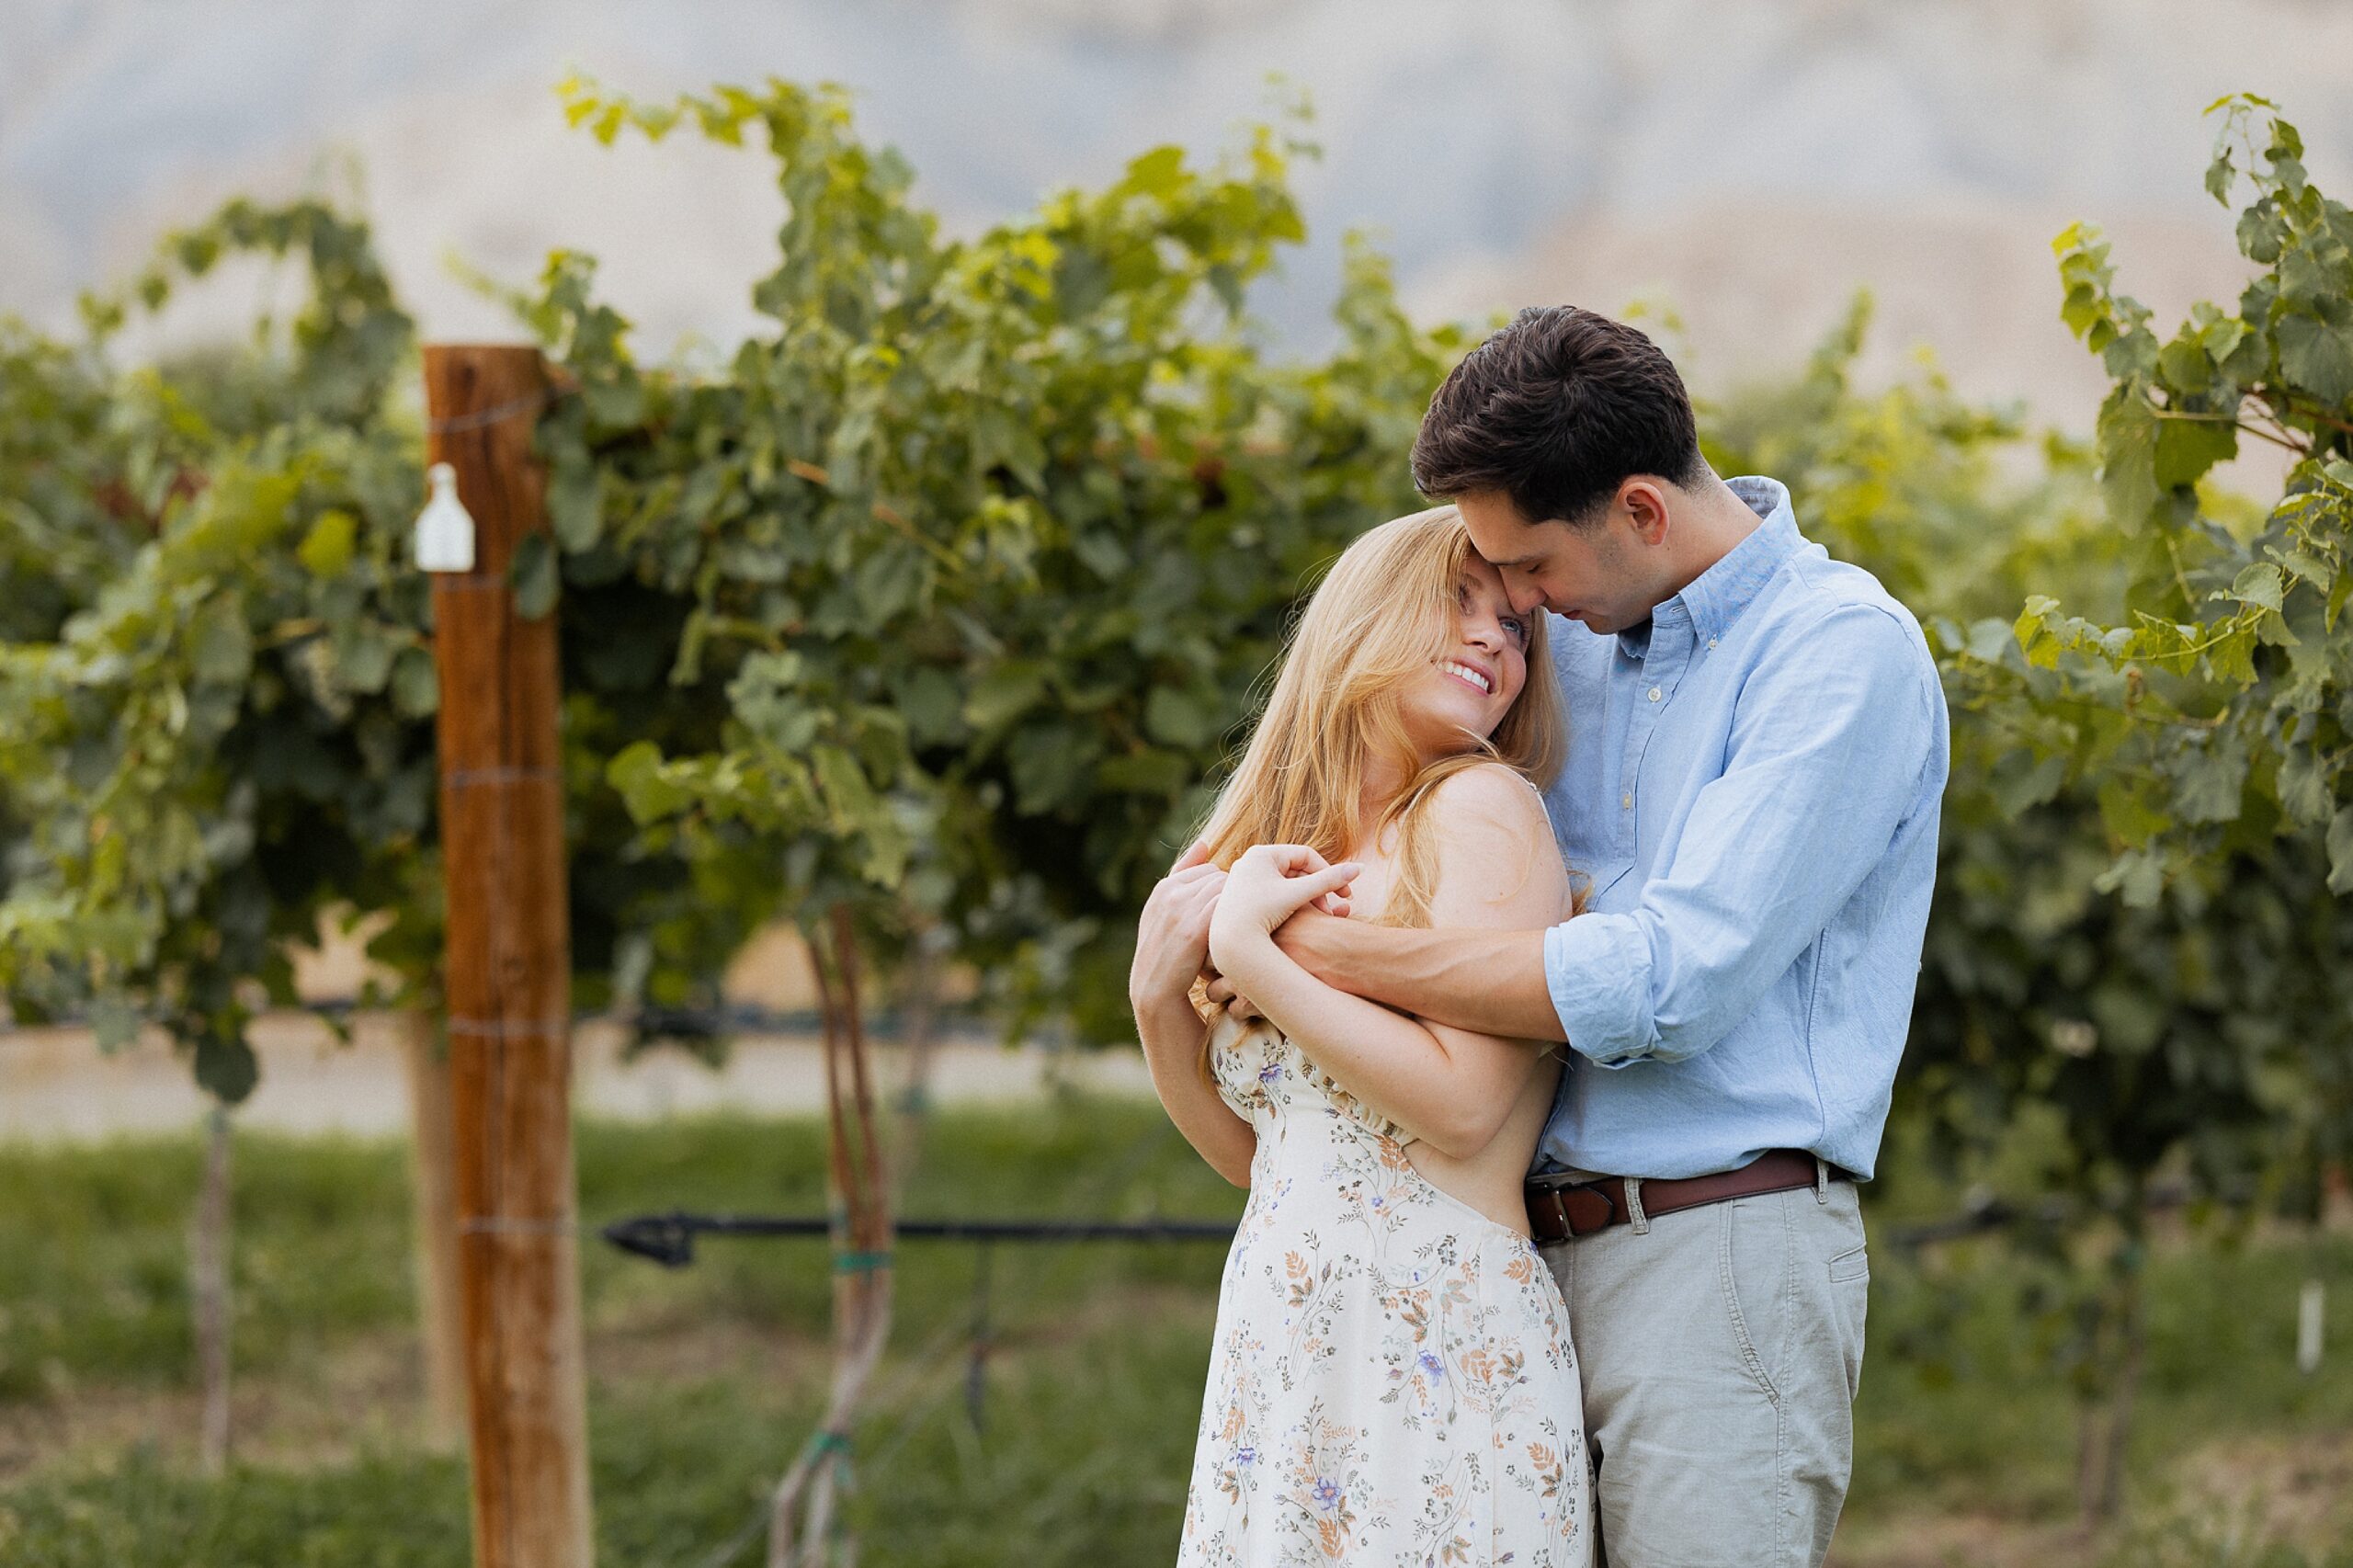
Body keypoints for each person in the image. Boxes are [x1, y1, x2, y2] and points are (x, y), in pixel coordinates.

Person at [1146, 305, 1950, 1568]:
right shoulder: (1563, 644)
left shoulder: (1838, 654)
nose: (1511, 612)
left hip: (1706, 1250)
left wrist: (1302, 950)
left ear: (1639, 512)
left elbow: (1672, 981)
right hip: (1500, 1257)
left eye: (1526, 573)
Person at [1133, 503, 1593, 1567]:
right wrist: (1159, 1011)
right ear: (1362, 614)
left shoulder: (1481, 807)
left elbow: (1461, 1108)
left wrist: (1252, 959)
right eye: (1458, 600)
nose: (1493, 636)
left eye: (1514, 626)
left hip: (1430, 1333)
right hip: (1286, 1337)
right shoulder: (1289, 846)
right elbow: (1274, 1165)